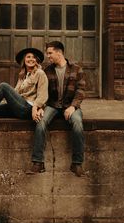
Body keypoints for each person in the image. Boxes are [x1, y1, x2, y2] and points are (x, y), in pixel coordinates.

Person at [27, 41, 86, 177]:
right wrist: (41, 106)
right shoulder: (47, 71)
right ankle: (38, 163)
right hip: (52, 105)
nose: (48, 56)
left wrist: (72, 106)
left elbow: (81, 91)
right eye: (48, 53)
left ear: (59, 53)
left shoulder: (77, 69)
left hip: (70, 105)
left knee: (77, 123)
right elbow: (41, 91)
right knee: (40, 122)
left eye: (50, 53)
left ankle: (77, 164)